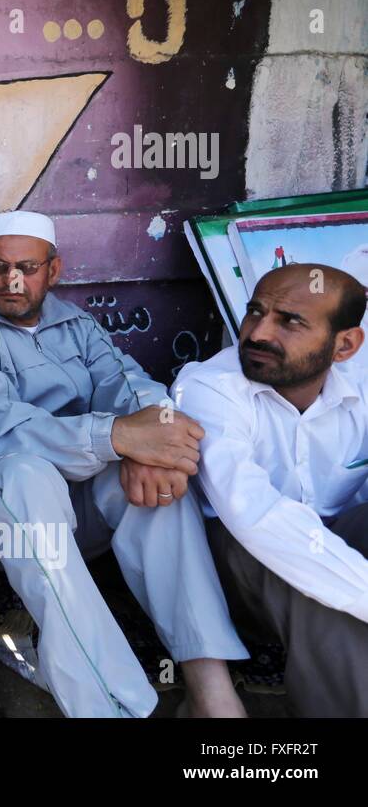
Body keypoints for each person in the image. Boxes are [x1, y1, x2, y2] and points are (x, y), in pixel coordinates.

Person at [0, 210, 248, 718]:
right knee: (24, 473)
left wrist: (154, 432)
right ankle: (108, 707)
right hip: (12, 523)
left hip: (84, 503)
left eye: (27, 267)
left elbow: (127, 381)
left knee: (161, 484)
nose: (12, 280)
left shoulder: (77, 325)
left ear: (53, 271)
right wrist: (119, 435)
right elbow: (5, 433)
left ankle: (210, 686)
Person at [176, 263, 368, 716]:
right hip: (239, 563)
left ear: (344, 345)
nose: (258, 333)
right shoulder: (210, 386)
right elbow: (256, 517)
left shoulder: (359, 386)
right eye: (255, 313)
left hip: (335, 535)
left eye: (290, 321)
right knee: (311, 587)